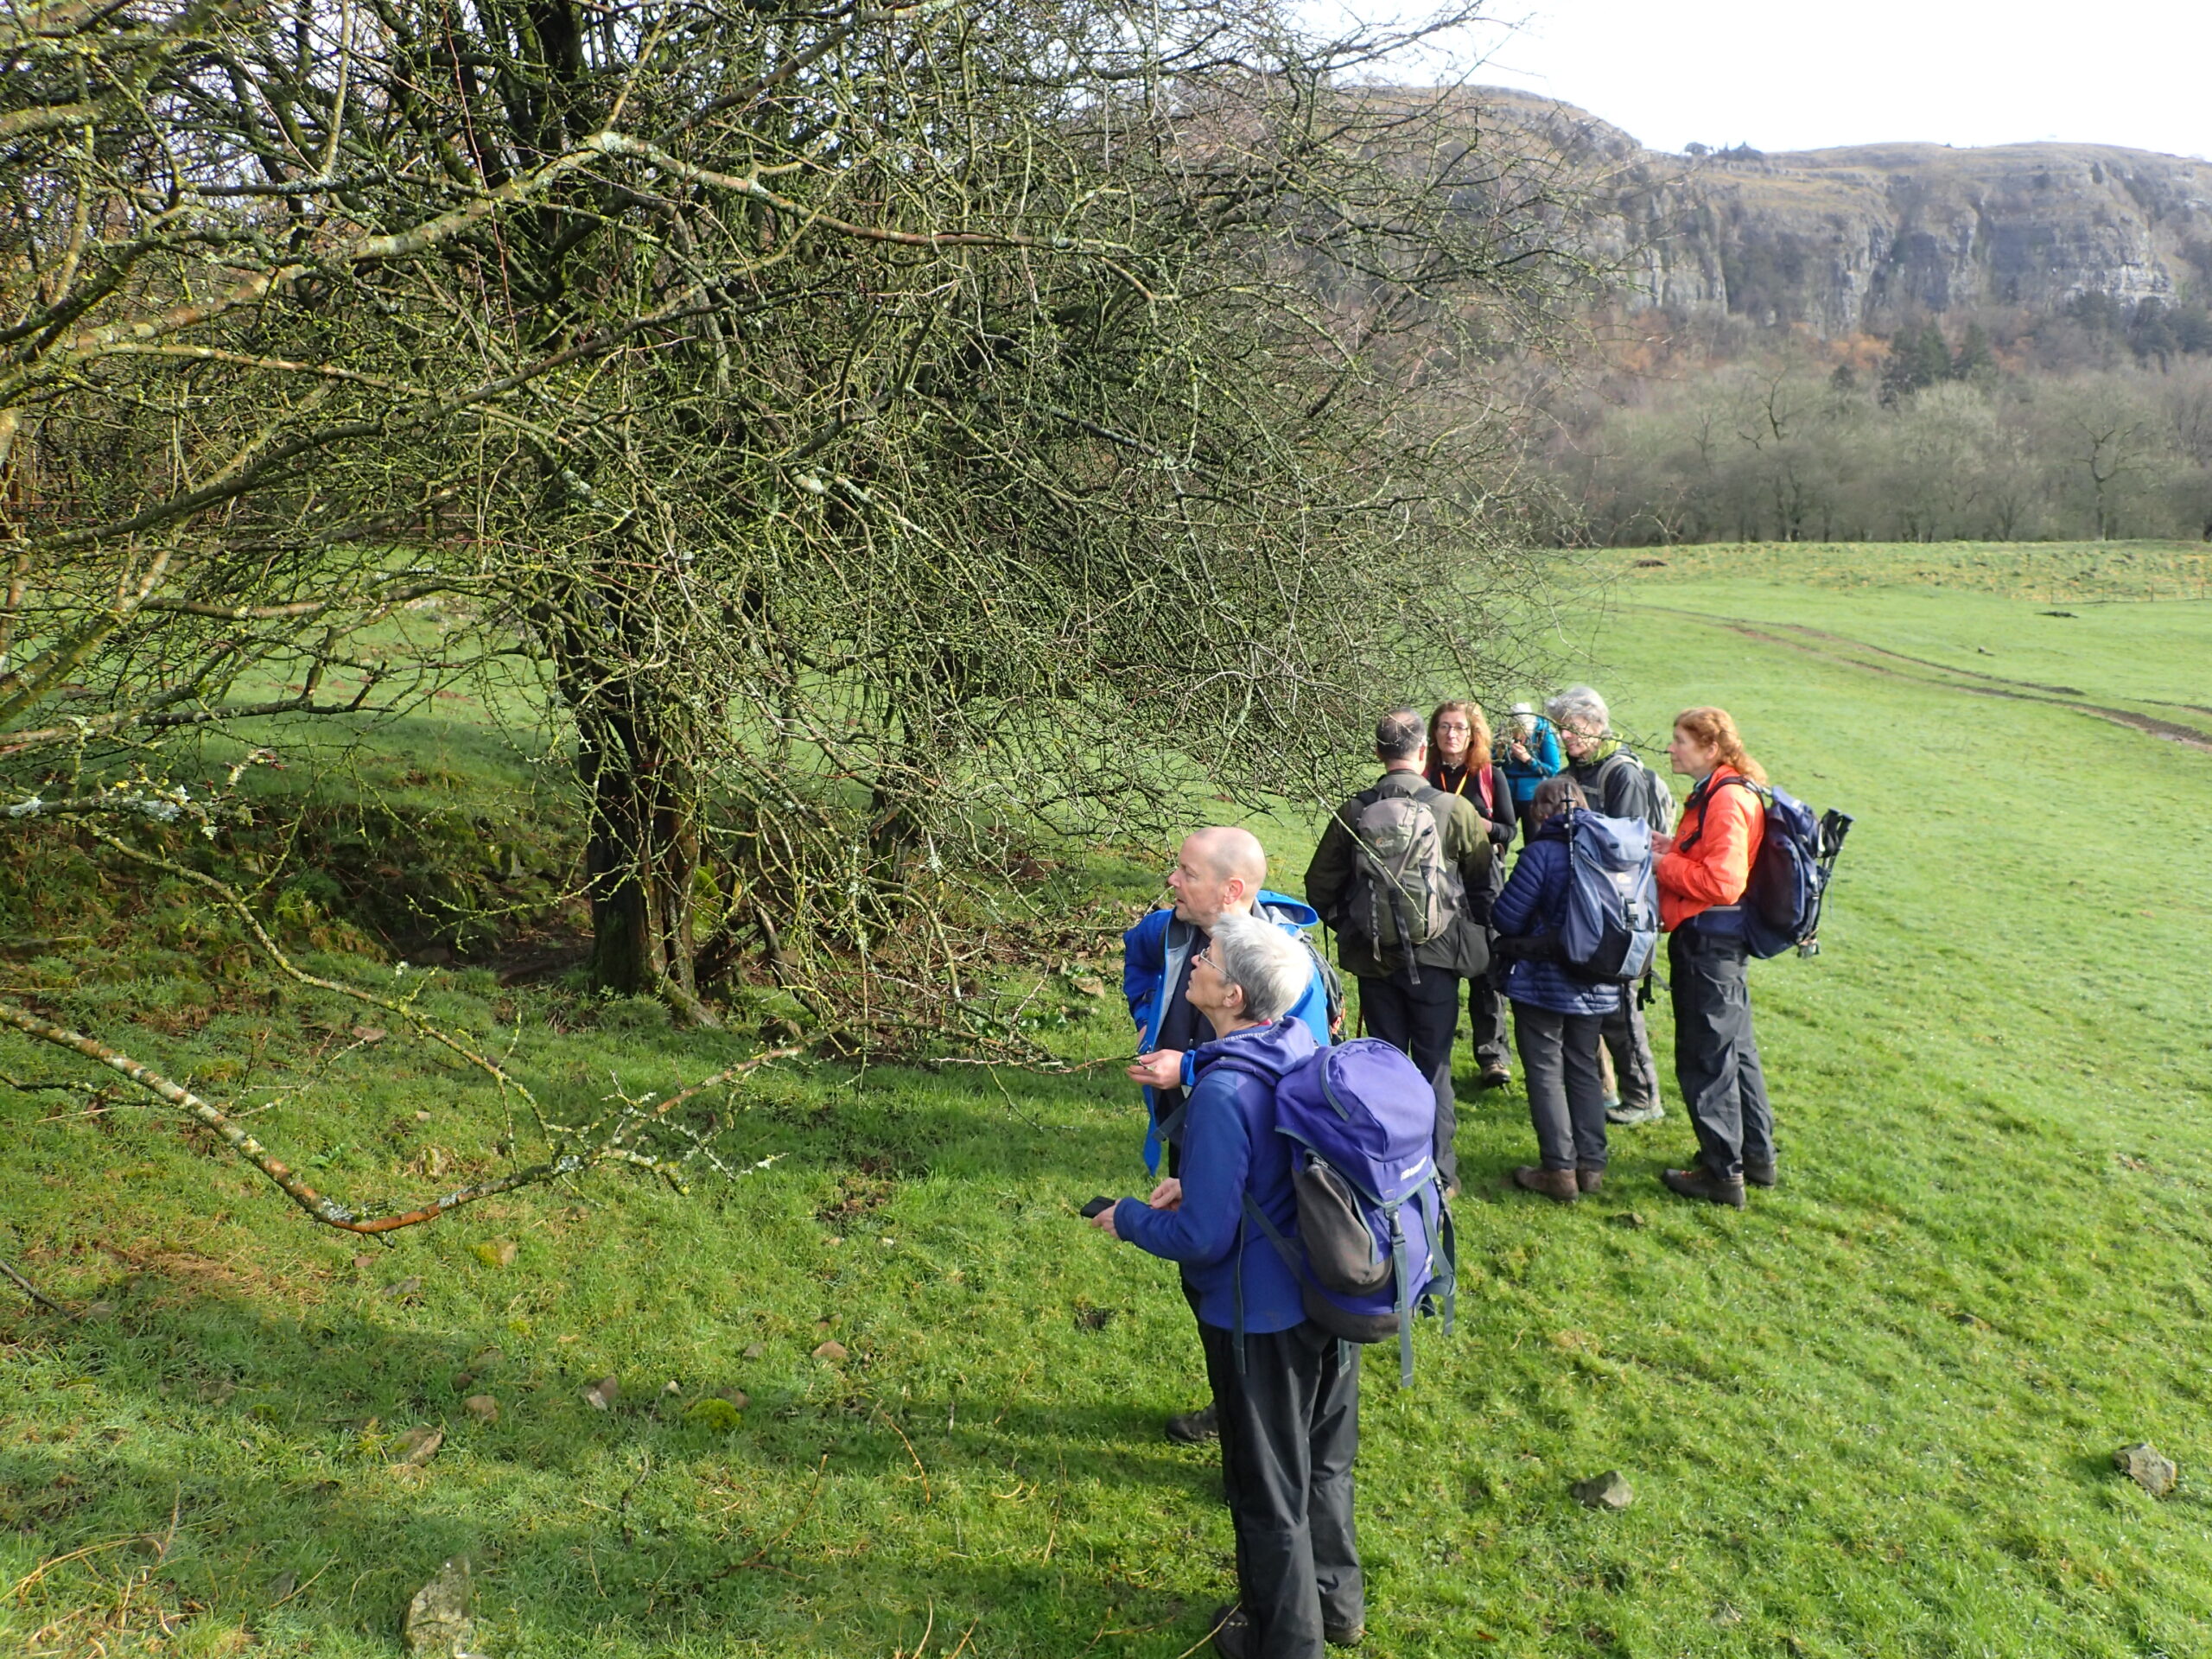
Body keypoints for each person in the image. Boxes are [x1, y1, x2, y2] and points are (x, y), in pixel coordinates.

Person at [1090, 912, 1363, 1658]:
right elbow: (1270, 1171)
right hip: (1332, 1289)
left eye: (1206, 957)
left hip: (1262, 1316)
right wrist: (1202, 1184)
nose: (1197, 961)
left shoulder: (1217, 1095)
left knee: (1264, 1487)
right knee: (1324, 1457)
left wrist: (1131, 1217)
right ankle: (1337, 1604)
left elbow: (1202, 1238)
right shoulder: (1300, 1043)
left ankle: (1283, 1640)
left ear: (1231, 993)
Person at [1123, 827, 1334, 1446]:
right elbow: (1136, 961)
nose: (1173, 881)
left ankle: (1266, 1425)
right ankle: (1241, 1406)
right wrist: (1147, 1019)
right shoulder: (1167, 929)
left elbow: (1299, 1067)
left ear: (1231, 889)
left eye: (1187, 871)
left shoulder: (1283, 965)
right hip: (1196, 1131)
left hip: (1257, 1149)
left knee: (1244, 1278)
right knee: (1204, 1280)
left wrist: (1185, 1067)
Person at [1305, 709, 1493, 1195]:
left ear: (1377, 752)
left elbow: (1318, 884)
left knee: (1385, 1063)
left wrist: (1351, 924)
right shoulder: (1454, 810)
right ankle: (1441, 1176)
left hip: (1374, 957)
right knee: (1434, 1065)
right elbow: (1481, 878)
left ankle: (1387, 1167)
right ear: (1423, 751)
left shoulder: (1354, 810)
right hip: (1438, 956)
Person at [1652, 707, 1776, 1209]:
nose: (1671, 749)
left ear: (1710, 748)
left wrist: (1663, 863)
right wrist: (1673, 847)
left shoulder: (1726, 800)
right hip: (1721, 943)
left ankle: (1721, 1173)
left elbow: (1723, 883)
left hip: (1709, 944)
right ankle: (1757, 1158)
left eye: (1680, 741)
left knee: (1707, 1059)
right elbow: (1708, 860)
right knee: (1737, 1053)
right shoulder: (1725, 790)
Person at [1490, 776, 1618, 1201]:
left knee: (1545, 1072)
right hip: (1599, 979)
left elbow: (1506, 918)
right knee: (1583, 1067)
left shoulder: (1543, 852)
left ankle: (1559, 1170)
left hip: (1544, 981)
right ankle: (1592, 1166)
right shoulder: (1610, 848)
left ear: (1542, 811)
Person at [1547, 685, 1668, 1132]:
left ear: (1598, 725)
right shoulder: (1573, 770)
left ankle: (1644, 1096)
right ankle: (1603, 1088)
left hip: (1617, 910)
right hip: (1581, 905)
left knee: (1618, 1009)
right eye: (1561, 729)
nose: (1566, 737)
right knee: (1582, 1006)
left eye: (1574, 729)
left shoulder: (1622, 774)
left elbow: (1629, 847)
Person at [1422, 701, 1516, 1090]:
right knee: (1435, 967)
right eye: (1444, 727)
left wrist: (1484, 825)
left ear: (1473, 734)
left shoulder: (1489, 775)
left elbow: (1510, 831)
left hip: (1480, 884)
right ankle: (1432, 1052)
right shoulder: (1423, 775)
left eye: (1459, 728)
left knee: (1485, 967)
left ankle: (1492, 1055)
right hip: (1433, 884)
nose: (1451, 734)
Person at [1497, 702, 1563, 844]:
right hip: (1506, 795)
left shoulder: (1544, 733)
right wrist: (1503, 753)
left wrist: (1528, 760)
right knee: (1499, 840)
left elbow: (1553, 769)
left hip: (1532, 797)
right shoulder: (1503, 730)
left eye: (1523, 735)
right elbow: (1490, 762)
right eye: (1515, 735)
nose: (1519, 739)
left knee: (1533, 841)